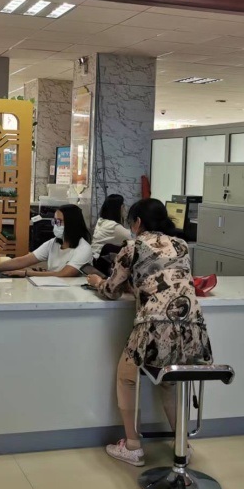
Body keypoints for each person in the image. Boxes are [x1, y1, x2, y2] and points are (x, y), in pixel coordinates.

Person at [86, 198, 213, 467]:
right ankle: (182, 443)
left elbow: (111, 290)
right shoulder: (180, 245)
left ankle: (133, 446)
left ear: (138, 222)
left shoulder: (132, 246)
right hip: (193, 327)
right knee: (170, 381)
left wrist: (97, 281)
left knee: (127, 377)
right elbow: (165, 280)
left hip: (155, 326)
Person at [0, 204, 92, 277]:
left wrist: (26, 273)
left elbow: (64, 274)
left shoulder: (84, 248)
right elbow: (23, 260)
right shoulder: (53, 243)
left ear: (72, 223)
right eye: (54, 221)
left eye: (59, 221)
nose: (55, 225)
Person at [91, 194, 131, 259]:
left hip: (94, 257)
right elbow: (131, 238)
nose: (125, 209)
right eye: (123, 206)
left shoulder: (101, 221)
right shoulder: (113, 226)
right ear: (120, 208)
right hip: (100, 261)